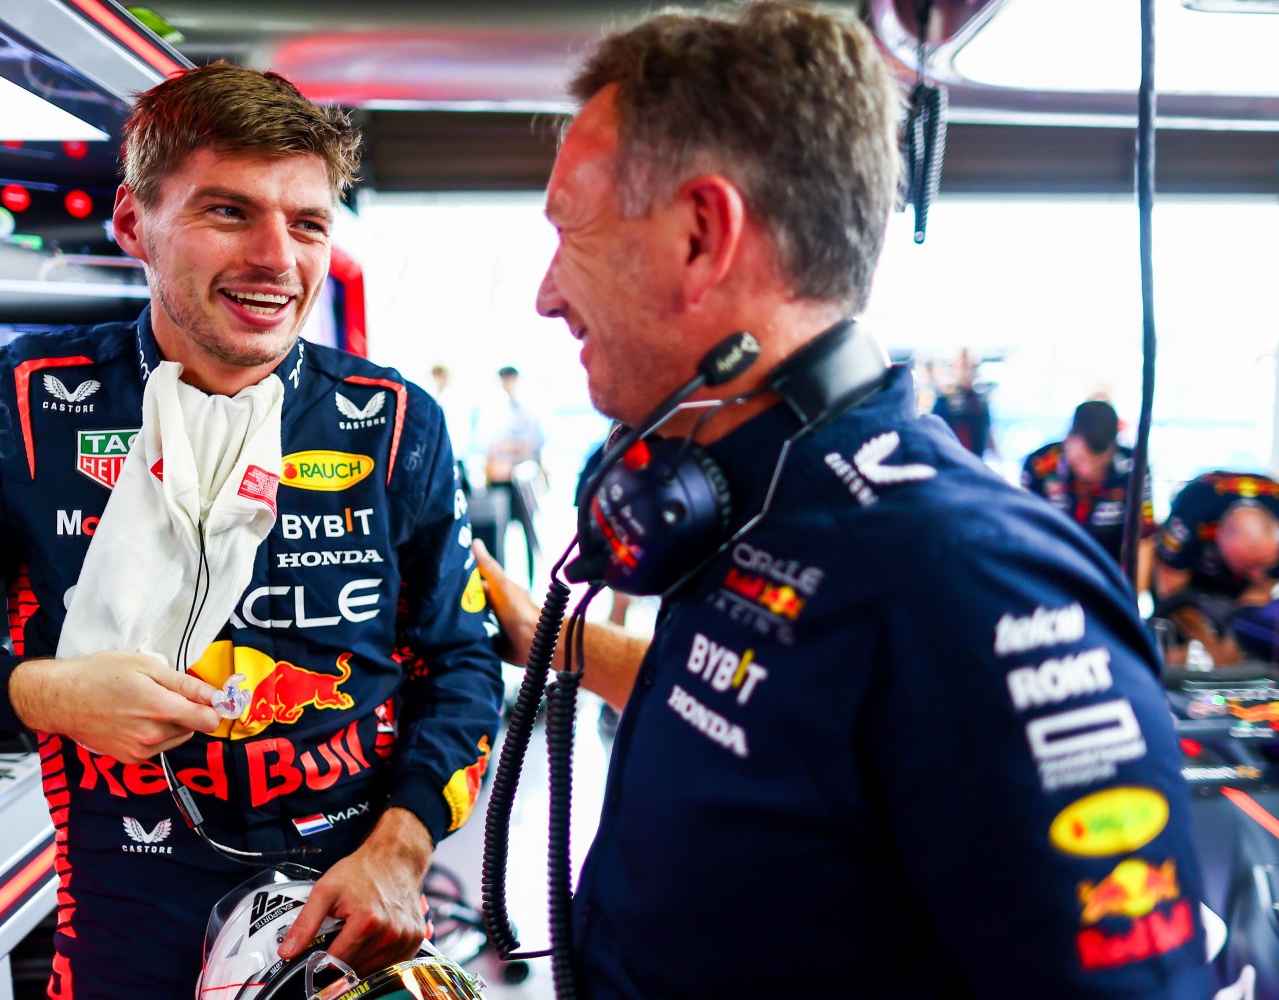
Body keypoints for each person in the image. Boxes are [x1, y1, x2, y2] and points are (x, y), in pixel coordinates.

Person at [475, 4, 1211, 997]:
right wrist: (551, 639)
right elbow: (775, 706)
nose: (547, 293)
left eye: (571, 229)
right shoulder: (755, 496)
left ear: (702, 233)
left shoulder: (971, 590)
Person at [0, 64, 502, 999]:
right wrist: (40, 691)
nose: (277, 257)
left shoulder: (392, 420)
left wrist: (404, 841)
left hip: (349, 918)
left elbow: (463, 664)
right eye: (229, 212)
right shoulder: (16, 404)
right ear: (135, 224)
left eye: (307, 224)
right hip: (124, 929)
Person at [1021, 399, 1155, 589]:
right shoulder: (1039, 464)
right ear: (1068, 438)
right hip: (1049, 573)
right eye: (1081, 459)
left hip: (1108, 577)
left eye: (1098, 464)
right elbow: (1023, 534)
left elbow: (1144, 539)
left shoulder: (1134, 468)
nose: (1087, 470)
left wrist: (1130, 600)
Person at [1155, 470, 1279, 667]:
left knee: (1250, 638)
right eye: (1248, 566)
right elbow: (1171, 594)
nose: (1257, 574)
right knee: (1174, 653)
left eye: (1263, 564)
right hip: (1191, 581)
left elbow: (1260, 591)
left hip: (1238, 591)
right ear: (1219, 539)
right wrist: (1212, 648)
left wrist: (1232, 648)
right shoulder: (1191, 514)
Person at [476, 364, 544, 582]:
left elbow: (534, 446)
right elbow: (487, 448)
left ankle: (532, 582)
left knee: (529, 535)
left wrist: (507, 449)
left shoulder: (529, 411)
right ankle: (500, 581)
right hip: (500, 481)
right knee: (498, 533)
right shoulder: (491, 411)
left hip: (523, 481)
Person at [932, 346, 995, 459]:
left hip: (976, 461)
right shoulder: (945, 400)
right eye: (962, 366)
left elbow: (989, 433)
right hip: (952, 462)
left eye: (970, 366)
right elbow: (935, 434)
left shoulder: (980, 400)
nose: (966, 371)